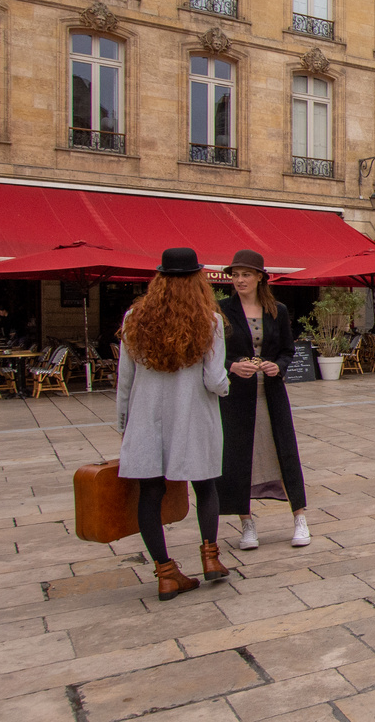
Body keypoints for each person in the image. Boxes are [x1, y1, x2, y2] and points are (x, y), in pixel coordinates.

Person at [115, 247, 230, 601]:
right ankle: (211, 558)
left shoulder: (135, 317)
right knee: (205, 486)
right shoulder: (209, 322)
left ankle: (165, 574)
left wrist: (124, 422)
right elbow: (214, 380)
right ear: (198, 279)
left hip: (147, 418)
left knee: (150, 493)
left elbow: (125, 379)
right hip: (193, 417)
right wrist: (228, 385)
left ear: (159, 279)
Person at [217, 250, 310, 551]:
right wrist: (231, 366)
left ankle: (299, 517)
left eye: (246, 274)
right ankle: (247, 523)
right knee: (239, 455)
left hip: (270, 391)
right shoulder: (220, 311)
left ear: (260, 277)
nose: (240, 280)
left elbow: (287, 349)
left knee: (283, 449)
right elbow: (212, 355)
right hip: (236, 395)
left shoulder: (277, 311)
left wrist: (278, 367)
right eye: (235, 274)